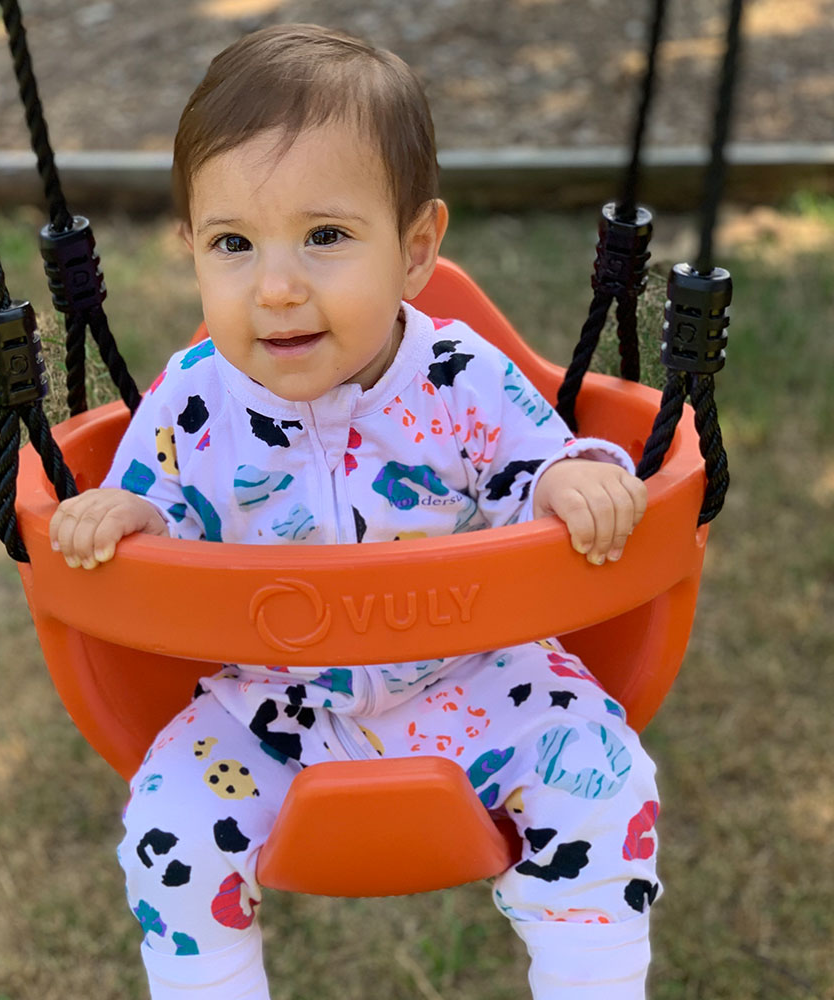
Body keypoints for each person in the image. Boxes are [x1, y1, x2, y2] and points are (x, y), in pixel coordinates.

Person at [49, 23, 660, 1000]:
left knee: (600, 773)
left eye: (324, 236)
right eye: (234, 244)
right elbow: (153, 502)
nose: (278, 285)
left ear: (416, 250)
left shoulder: (459, 373)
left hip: (476, 678)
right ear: (191, 253)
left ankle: (591, 982)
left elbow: (532, 464)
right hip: (274, 703)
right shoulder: (192, 399)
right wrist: (120, 518)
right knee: (169, 820)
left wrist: (569, 477)